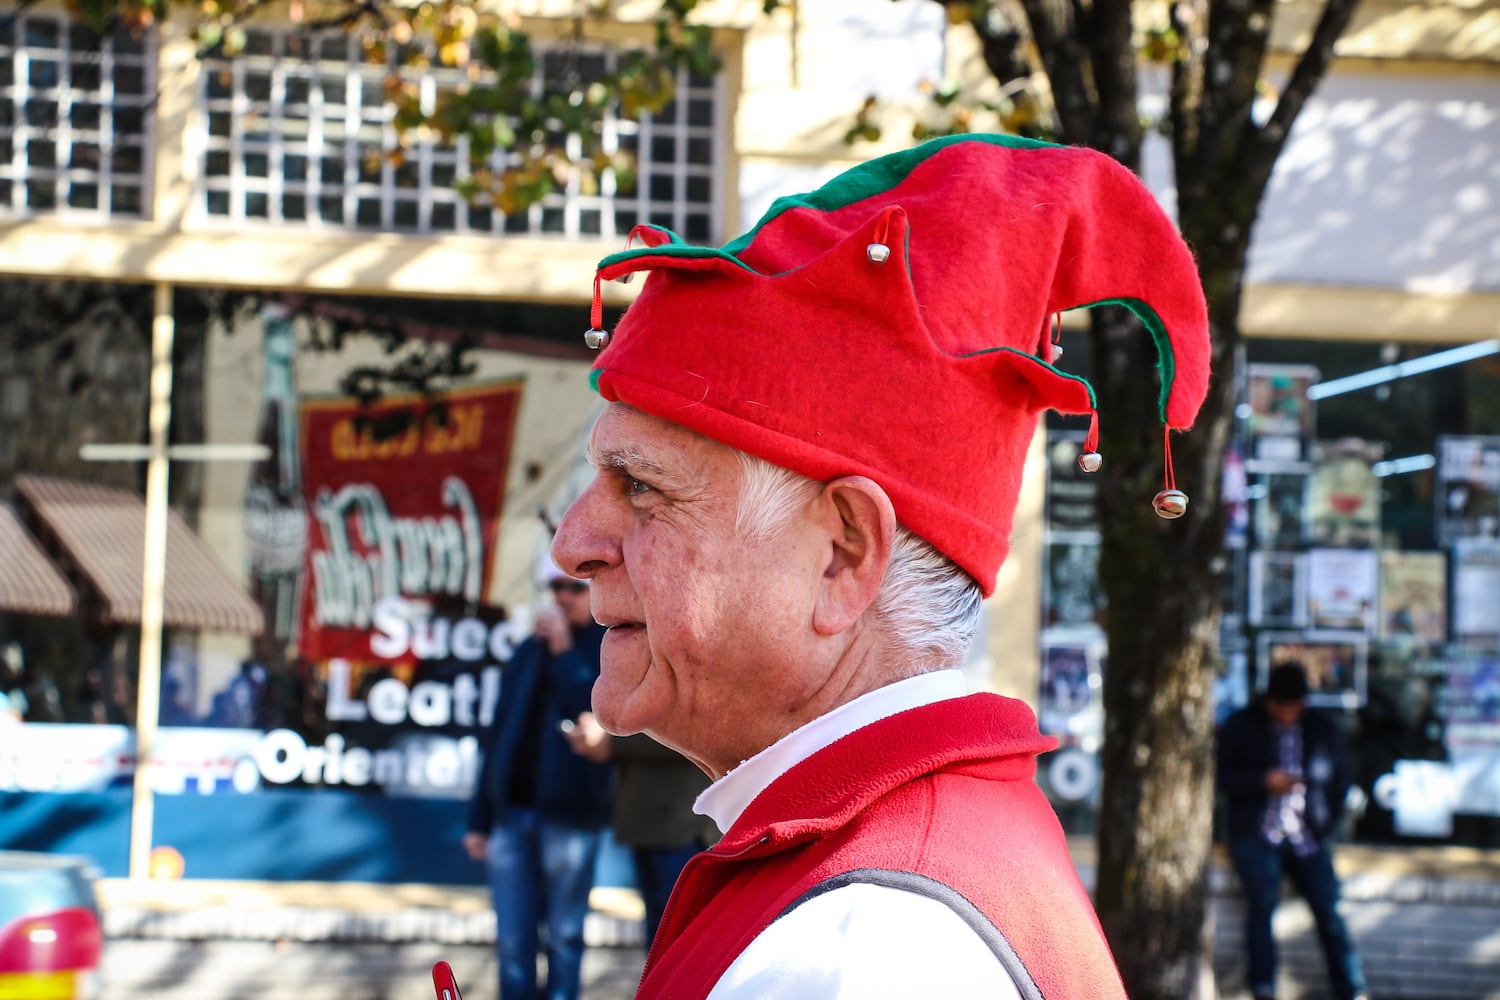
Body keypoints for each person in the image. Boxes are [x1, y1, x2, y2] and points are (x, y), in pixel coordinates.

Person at [549, 133, 1214, 996]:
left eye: (641, 487)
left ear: (842, 554)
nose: (574, 542)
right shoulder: (878, 868)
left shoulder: (864, 948)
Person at [463, 562, 612, 1000]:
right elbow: (498, 735)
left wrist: (565, 654)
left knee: (564, 938)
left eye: (574, 589)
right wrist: (479, 819)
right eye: (556, 588)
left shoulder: (607, 648)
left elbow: (601, 716)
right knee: (512, 942)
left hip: (570, 817)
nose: (562, 597)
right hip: (511, 816)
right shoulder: (529, 651)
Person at [1217, 661, 1370, 1000]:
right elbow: (1222, 777)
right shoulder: (1242, 725)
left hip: (1308, 834)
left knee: (1328, 908)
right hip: (1258, 833)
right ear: (1269, 701)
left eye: (1294, 707)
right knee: (1262, 905)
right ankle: (1263, 986)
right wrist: (1262, 781)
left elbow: (1341, 779)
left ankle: (1351, 987)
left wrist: (1325, 824)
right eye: (1282, 707)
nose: (1288, 714)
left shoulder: (1322, 728)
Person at [566, 713, 718, 943]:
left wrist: (611, 739)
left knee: (678, 942)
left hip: (681, 827)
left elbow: (695, 730)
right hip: (653, 823)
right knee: (661, 941)